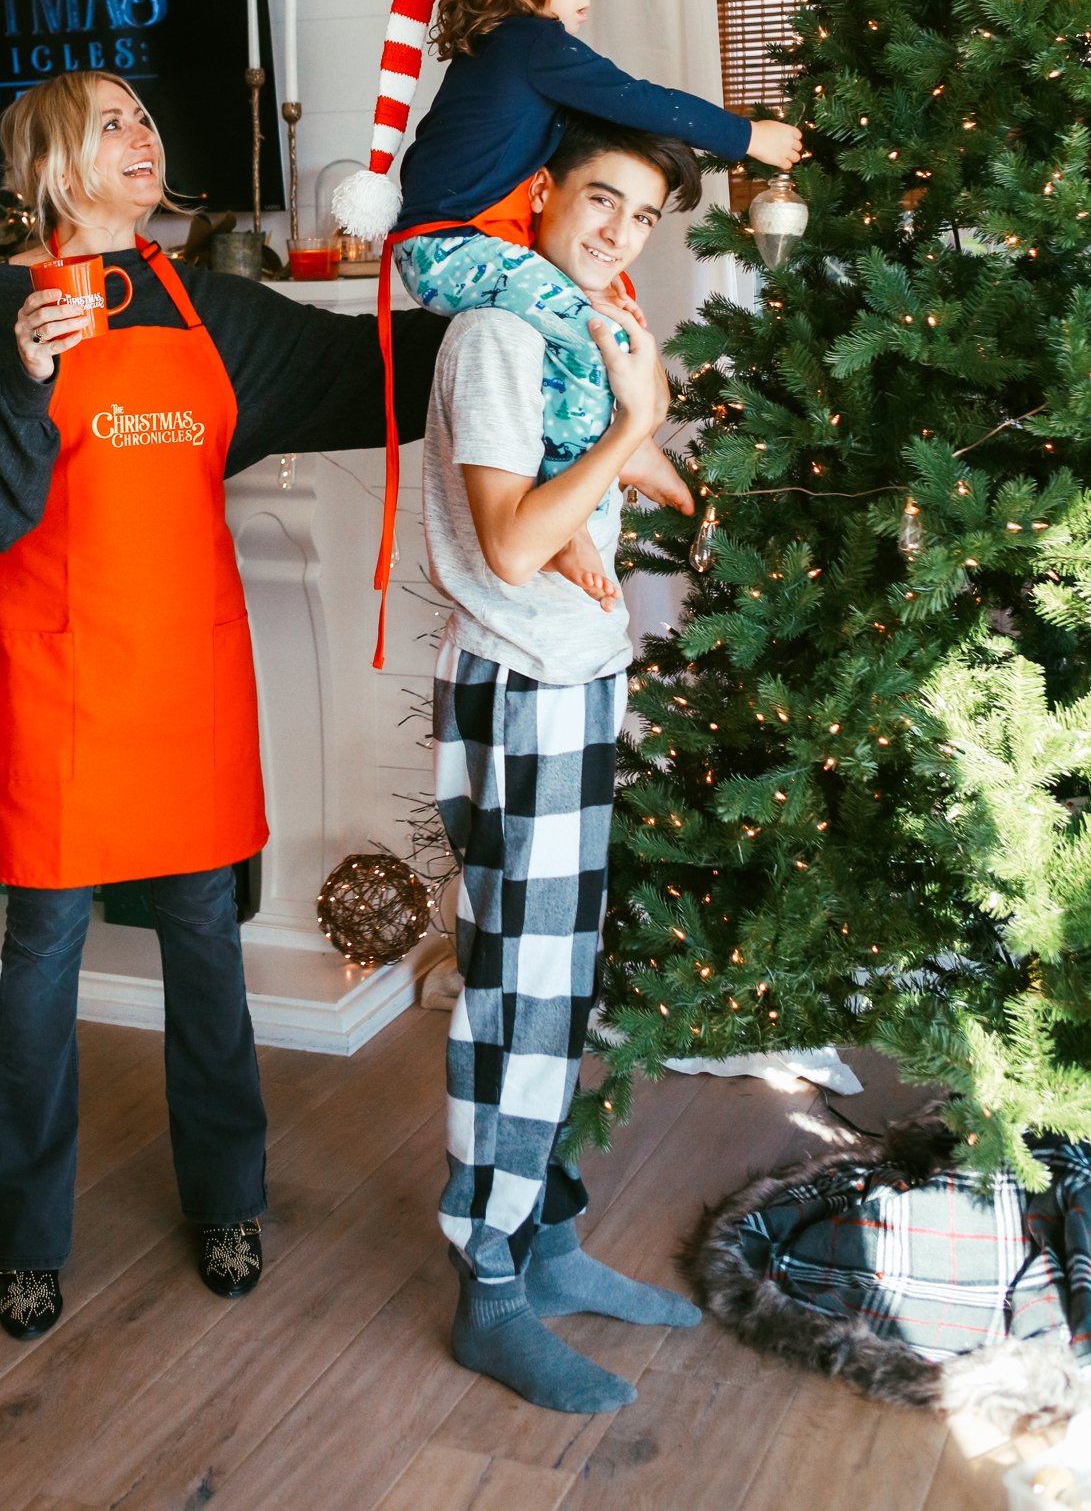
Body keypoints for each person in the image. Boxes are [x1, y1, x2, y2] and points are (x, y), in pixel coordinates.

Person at [0, 69, 444, 1341]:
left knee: (205, 942)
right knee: (41, 958)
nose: (143, 133)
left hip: (184, 685)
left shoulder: (204, 304)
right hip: (52, 684)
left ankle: (227, 1199)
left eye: (148, 115)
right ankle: (29, 1236)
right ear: (48, 160)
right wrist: (24, 384)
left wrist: (508, 311)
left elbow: (362, 369)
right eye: (111, 121)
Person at [329, 0, 804, 652]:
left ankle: (599, 475)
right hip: (450, 251)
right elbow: (637, 98)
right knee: (590, 331)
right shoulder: (528, 43)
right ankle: (581, 499)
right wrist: (745, 137)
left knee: (580, 333)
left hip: (453, 248)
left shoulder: (499, 54)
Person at [422, 115, 706, 1414]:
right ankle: (487, 1291)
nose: (615, 234)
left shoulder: (580, 330)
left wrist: (695, 487)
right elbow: (509, 548)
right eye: (600, 201)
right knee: (513, 994)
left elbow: (630, 458)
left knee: (561, 983)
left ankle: (543, 1247)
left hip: (579, 688)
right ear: (542, 191)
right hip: (518, 695)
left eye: (641, 217)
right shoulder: (491, 338)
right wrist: (626, 428)